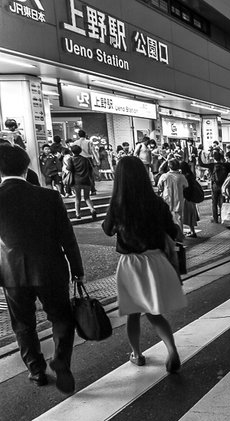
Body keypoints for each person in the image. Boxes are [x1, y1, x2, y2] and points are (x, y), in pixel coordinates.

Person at [0, 144, 83, 393]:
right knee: (62, 317)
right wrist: (77, 269)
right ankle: (60, 359)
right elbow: (67, 237)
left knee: (23, 324)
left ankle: (36, 371)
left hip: (12, 272)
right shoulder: (49, 197)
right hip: (50, 269)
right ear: (27, 168)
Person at [102, 156, 185, 372]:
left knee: (132, 313)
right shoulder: (156, 202)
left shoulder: (118, 204)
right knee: (153, 312)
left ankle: (137, 354)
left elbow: (107, 229)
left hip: (131, 264)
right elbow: (171, 229)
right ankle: (171, 348)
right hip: (156, 260)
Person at [157, 159, 188, 238]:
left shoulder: (164, 176)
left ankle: (169, 235)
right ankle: (180, 235)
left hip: (167, 199)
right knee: (179, 218)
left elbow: (159, 186)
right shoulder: (181, 177)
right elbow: (186, 186)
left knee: (167, 217)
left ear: (169, 166)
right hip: (179, 199)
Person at [66, 144, 96, 219]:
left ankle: (78, 214)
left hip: (77, 181)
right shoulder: (86, 159)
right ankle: (92, 209)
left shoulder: (71, 159)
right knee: (87, 197)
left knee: (77, 198)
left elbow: (69, 168)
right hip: (86, 180)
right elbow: (90, 169)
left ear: (72, 151)